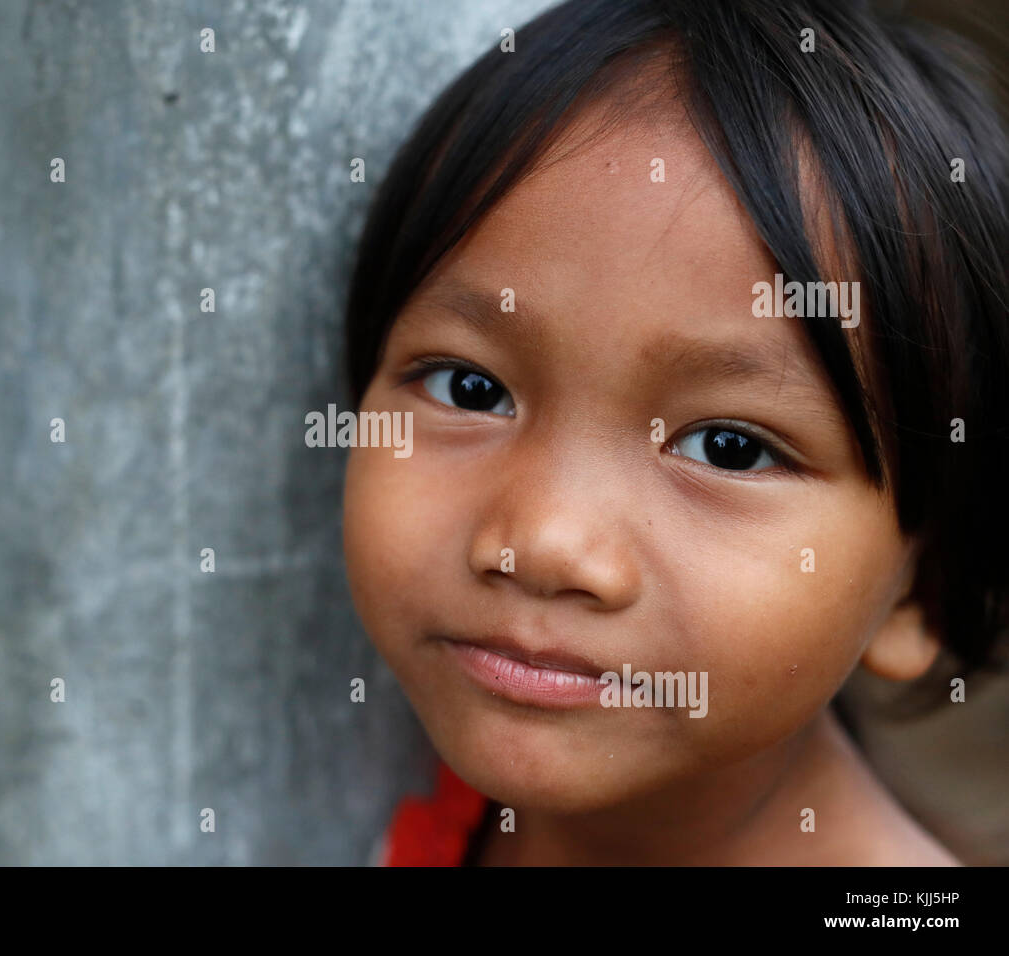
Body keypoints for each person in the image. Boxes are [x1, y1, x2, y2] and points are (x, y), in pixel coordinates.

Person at [342, 0, 1008, 866]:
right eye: (472, 389)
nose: (543, 543)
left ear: (925, 587)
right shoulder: (447, 814)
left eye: (729, 447)